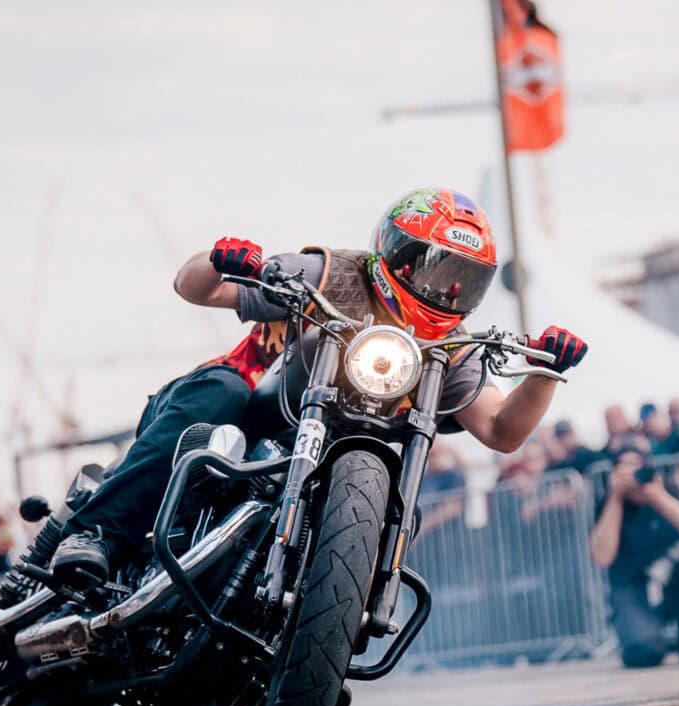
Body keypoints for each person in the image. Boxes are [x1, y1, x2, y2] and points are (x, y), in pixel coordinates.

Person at [49, 187, 588, 585]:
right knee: (223, 394)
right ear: (395, 251)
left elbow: (501, 430)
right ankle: (96, 532)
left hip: (336, 455)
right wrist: (218, 261)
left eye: (463, 278)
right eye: (433, 266)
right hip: (255, 398)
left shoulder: (453, 349)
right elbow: (195, 290)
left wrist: (545, 373)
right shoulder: (326, 272)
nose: (445, 286)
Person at [588, 445, 679, 668]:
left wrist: (657, 496)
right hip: (634, 587)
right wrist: (616, 498)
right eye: (625, 469)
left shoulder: (667, 490)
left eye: (637, 468)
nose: (633, 475)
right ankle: (645, 638)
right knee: (644, 653)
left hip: (674, 583)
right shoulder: (608, 502)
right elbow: (602, 557)